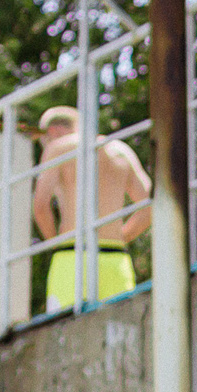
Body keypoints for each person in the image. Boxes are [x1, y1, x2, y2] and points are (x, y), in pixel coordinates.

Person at [31, 106, 152, 314]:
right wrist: (121, 236)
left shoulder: (59, 148)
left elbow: (40, 207)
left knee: (66, 336)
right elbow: (150, 206)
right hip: (116, 260)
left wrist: (56, 243)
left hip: (72, 258)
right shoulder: (120, 149)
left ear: (53, 132)